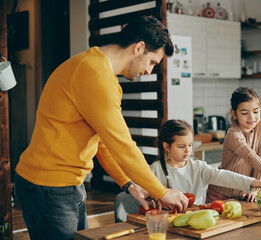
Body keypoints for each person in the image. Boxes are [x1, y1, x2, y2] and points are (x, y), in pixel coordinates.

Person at [14, 16, 189, 240]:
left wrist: (129, 184)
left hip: (64, 187)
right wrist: (162, 192)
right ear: (139, 47)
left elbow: (103, 142)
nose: (149, 71)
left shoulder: (96, 68)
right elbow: (123, 147)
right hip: (49, 186)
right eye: (152, 62)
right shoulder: (96, 76)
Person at [114, 119, 261, 222]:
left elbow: (224, 176)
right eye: (181, 146)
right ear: (166, 146)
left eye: (190, 145)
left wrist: (252, 182)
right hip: (165, 225)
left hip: (196, 223)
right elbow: (136, 192)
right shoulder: (154, 170)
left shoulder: (199, 168)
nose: (187, 151)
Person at [206, 87, 261, 203]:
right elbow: (250, 156)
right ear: (234, 114)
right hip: (220, 195)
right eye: (244, 113)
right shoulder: (233, 134)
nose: (252, 117)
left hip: (245, 195)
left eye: (256, 111)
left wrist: (255, 189)